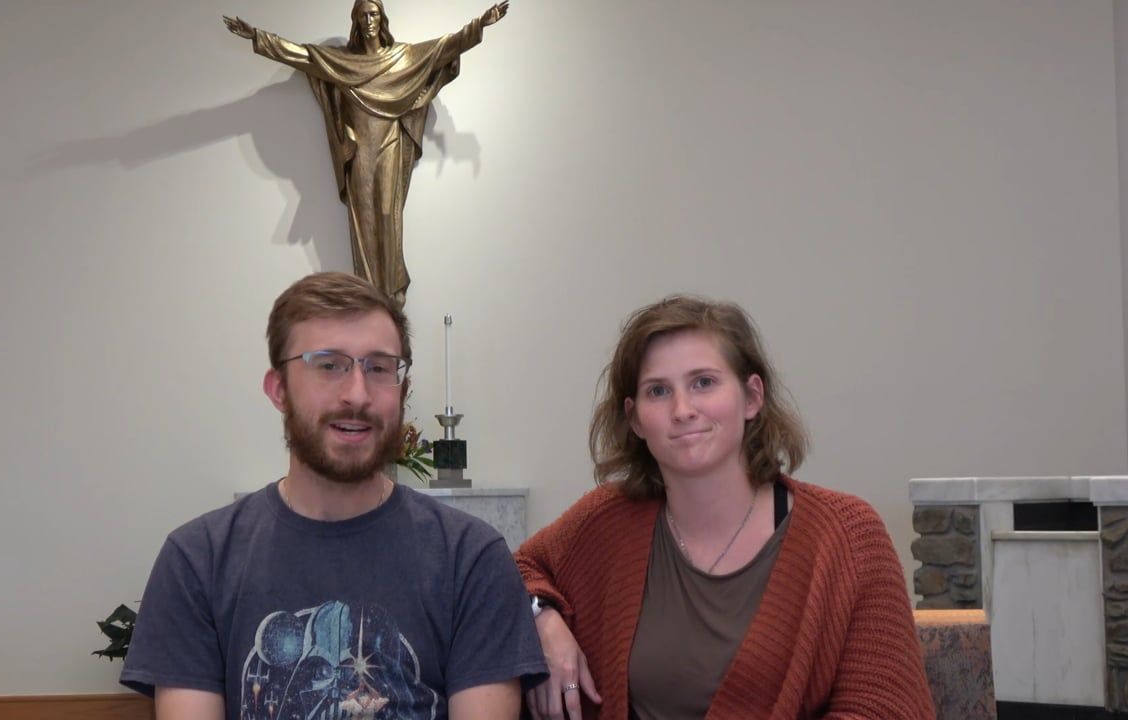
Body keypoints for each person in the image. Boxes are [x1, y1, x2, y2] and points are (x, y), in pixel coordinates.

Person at [121, 272, 546, 720]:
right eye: (328, 364)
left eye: (379, 367)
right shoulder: (198, 561)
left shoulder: (470, 557)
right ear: (278, 389)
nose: (357, 394)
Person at [515, 296, 934, 719]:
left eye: (703, 382)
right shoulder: (605, 520)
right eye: (658, 391)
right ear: (637, 419)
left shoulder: (849, 537)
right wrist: (543, 620)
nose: (682, 410)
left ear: (751, 397)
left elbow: (887, 708)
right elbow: (514, 569)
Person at [223, 1, 510, 307]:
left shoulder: (402, 58)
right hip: (360, 149)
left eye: (373, 14)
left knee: (387, 214)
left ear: (382, 18)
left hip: (389, 145)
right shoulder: (343, 62)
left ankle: (392, 291)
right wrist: (257, 36)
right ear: (356, 21)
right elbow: (302, 55)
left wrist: (480, 24)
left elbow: (445, 47)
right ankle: (369, 295)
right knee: (363, 219)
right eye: (363, 15)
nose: (369, 20)